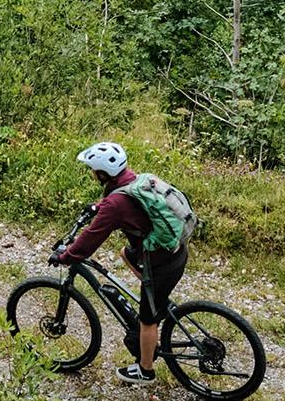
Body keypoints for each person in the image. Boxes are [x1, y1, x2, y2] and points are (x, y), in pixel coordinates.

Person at [51, 141, 189, 385]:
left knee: (147, 319)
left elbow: (90, 240)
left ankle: (145, 370)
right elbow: (120, 202)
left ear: (103, 173)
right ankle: (156, 297)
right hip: (175, 252)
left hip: (162, 262)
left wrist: (65, 257)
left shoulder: (116, 203)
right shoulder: (135, 179)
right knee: (125, 252)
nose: (92, 174)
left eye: (93, 170)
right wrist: (97, 206)